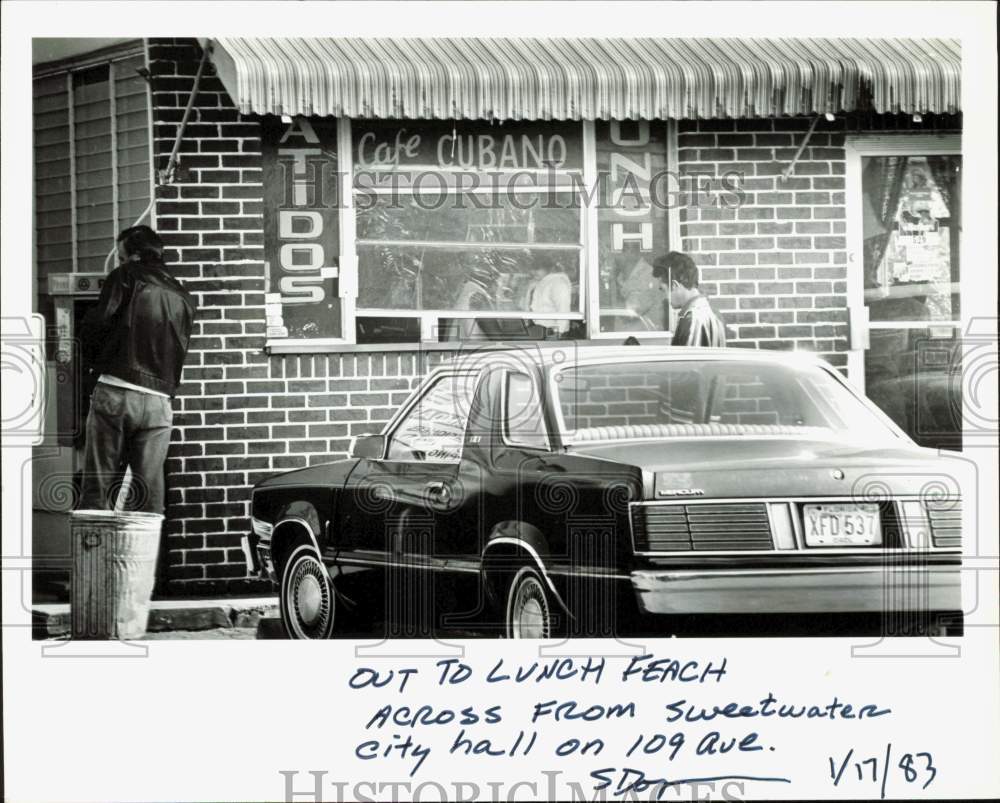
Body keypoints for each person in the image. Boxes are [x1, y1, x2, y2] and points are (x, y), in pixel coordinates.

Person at [78, 225, 197, 514]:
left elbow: (98, 325)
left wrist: (93, 366)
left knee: (98, 484)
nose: (118, 263)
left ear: (132, 256)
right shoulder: (183, 295)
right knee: (149, 493)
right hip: (159, 401)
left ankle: (93, 558)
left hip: (117, 391)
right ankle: (140, 559)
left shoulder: (124, 276)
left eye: (120, 257)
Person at [652, 251, 727, 347]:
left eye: (663, 289)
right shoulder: (714, 312)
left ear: (674, 285)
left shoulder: (692, 319)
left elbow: (686, 361)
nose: (664, 298)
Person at [615, 248, 666, 330]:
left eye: (619, 253)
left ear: (630, 252)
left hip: (647, 335)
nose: (615, 257)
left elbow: (632, 312)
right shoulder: (621, 274)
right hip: (629, 332)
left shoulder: (648, 274)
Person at [522, 254, 572, 335]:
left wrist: (559, 333)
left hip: (550, 330)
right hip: (535, 327)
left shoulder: (558, 283)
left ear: (550, 269)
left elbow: (563, 309)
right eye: (532, 269)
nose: (533, 272)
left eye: (538, 269)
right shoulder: (536, 283)